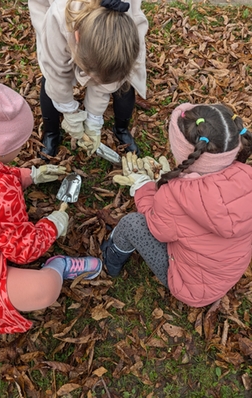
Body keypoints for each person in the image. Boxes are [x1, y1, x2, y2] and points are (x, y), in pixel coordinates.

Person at [0, 76, 102, 334]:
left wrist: (28, 175)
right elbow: (23, 249)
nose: (22, 147)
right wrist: (53, 225)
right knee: (43, 291)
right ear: (1, 147)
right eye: (18, 144)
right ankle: (59, 266)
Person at [101, 102, 252, 308]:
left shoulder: (175, 195)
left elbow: (155, 225)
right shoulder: (247, 177)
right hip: (224, 274)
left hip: (192, 288)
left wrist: (143, 188)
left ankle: (111, 259)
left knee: (131, 224)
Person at [28, 0, 148, 159]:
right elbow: (55, 72)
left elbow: (110, 77)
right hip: (57, 18)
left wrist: (94, 119)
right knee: (52, 79)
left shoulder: (126, 22)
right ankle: (51, 132)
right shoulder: (58, 18)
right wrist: (68, 110)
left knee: (122, 81)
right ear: (77, 37)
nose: (95, 82)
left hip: (98, 31)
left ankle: (121, 129)